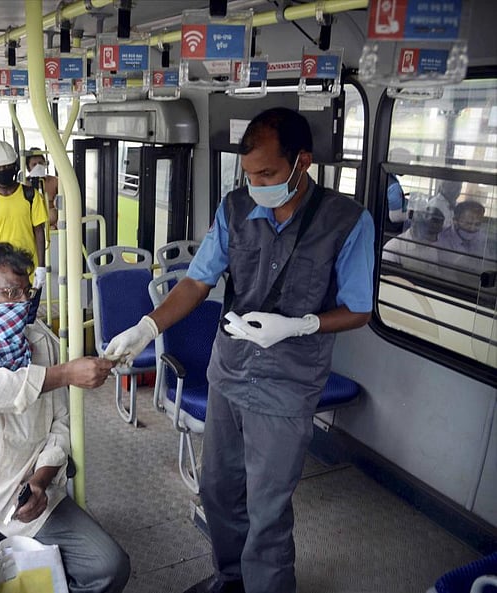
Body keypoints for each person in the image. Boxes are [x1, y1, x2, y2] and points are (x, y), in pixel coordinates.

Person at [105, 108, 374, 593]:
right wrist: (146, 328)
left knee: (267, 507)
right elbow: (196, 281)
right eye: (249, 174)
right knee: (218, 491)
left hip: (288, 383)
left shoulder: (347, 221)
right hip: (228, 373)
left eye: (268, 174)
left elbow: (359, 309)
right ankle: (230, 579)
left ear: (302, 163)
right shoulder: (234, 210)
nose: (257, 185)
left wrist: (301, 324)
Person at [0, 243, 130, 593]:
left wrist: (41, 480)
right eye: (10, 292)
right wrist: (63, 375)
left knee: (109, 566)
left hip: (21, 493)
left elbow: (60, 424)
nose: (21, 303)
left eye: (26, 292)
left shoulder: (42, 342)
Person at [0, 140, 48, 322]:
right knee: (4, 321)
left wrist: (40, 267)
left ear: (15, 167)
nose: (3, 172)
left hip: (28, 272)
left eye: (7, 167)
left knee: (28, 319)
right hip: (1, 276)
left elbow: (39, 231)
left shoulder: (31, 196)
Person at [383, 197, 448, 276]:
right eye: (431, 234)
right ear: (417, 229)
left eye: (437, 234)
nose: (435, 239)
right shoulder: (393, 248)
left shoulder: (432, 248)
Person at [25, 147, 60, 229]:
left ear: (45, 164)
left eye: (40, 163)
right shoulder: (24, 184)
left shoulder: (55, 181)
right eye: (34, 165)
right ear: (28, 168)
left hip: (51, 223)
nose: (38, 167)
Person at [385, 147, 411, 229]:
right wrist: (413, 214)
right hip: (391, 228)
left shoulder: (386, 177)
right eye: (407, 163)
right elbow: (395, 217)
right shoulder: (394, 187)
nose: (409, 166)